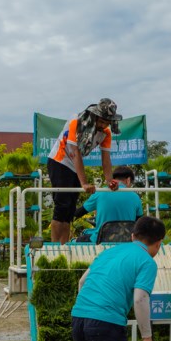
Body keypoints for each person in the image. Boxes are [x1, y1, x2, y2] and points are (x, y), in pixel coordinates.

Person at [70, 215, 165, 341]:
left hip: (79, 316)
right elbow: (140, 298)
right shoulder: (146, 262)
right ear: (158, 244)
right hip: (105, 322)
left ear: (133, 236)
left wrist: (88, 309)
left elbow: (81, 282)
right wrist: (147, 338)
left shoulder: (109, 252)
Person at [47, 98, 117, 243]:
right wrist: (84, 183)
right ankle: (54, 248)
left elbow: (106, 159)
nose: (104, 125)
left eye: (107, 122)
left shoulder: (106, 133)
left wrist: (110, 181)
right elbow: (74, 152)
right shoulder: (76, 122)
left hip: (74, 167)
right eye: (102, 121)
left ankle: (64, 247)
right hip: (59, 161)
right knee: (62, 205)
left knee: (70, 210)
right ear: (95, 116)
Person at [79, 166, 144, 243]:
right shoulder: (135, 197)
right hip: (126, 241)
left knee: (78, 240)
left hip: (100, 240)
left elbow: (79, 212)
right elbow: (139, 222)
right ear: (128, 180)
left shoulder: (100, 192)